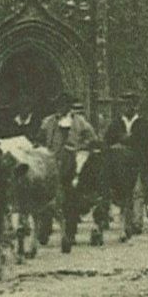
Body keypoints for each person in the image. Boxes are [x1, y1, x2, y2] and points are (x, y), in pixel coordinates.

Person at [40, 92, 100, 251]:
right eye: (58, 104)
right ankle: (45, 230)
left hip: (73, 162)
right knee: (47, 197)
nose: (61, 107)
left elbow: (92, 138)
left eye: (64, 104)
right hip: (53, 162)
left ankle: (70, 232)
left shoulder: (79, 122)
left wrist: (80, 146)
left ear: (68, 106)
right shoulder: (48, 122)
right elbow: (39, 139)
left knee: (70, 198)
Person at [104, 90, 148, 232]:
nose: (127, 107)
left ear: (135, 106)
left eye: (130, 104)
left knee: (137, 191)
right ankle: (124, 220)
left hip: (138, 162)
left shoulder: (143, 123)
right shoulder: (116, 123)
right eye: (124, 104)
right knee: (121, 192)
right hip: (118, 164)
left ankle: (137, 222)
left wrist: (127, 140)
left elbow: (147, 143)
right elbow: (107, 140)